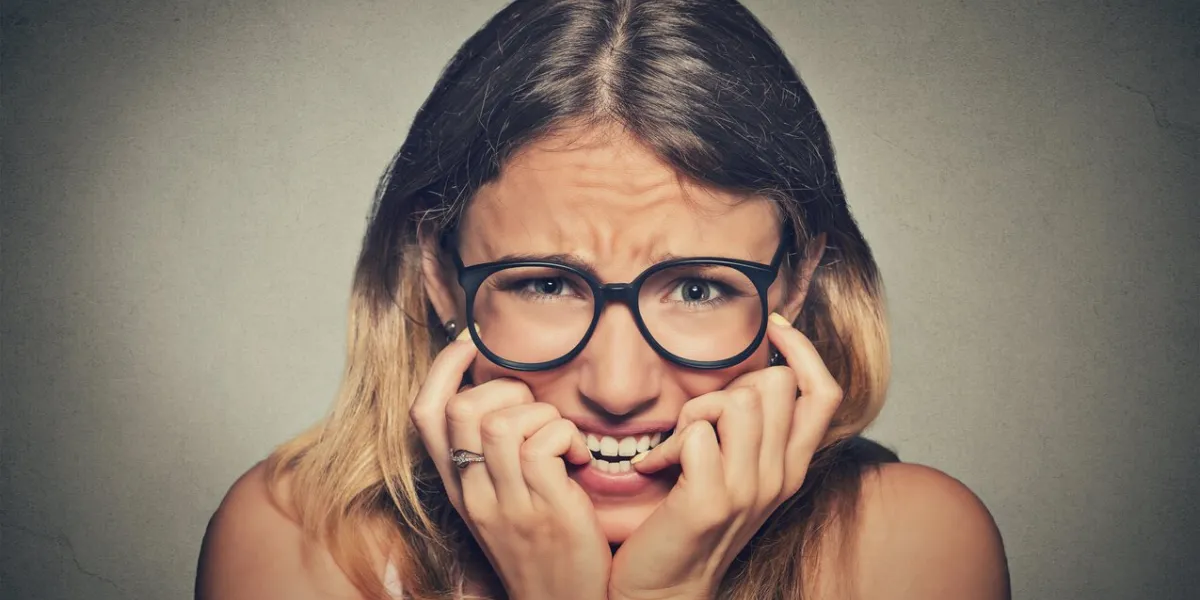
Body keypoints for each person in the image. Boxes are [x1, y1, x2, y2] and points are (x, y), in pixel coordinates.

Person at [196, 0, 1010, 598]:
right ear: (440, 277)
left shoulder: (912, 550)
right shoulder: (295, 544)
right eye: (545, 284)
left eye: (698, 288)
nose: (619, 389)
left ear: (794, 285)